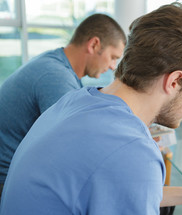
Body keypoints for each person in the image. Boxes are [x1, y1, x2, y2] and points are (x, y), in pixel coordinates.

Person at [0, 1, 182, 215]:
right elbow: (122, 173)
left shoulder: (75, 100)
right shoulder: (132, 153)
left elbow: (111, 189)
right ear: (174, 81)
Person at [0, 13, 127, 196]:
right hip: (7, 182)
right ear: (94, 45)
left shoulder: (55, 63)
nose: (113, 66)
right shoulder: (56, 77)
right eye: (113, 57)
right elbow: (74, 147)